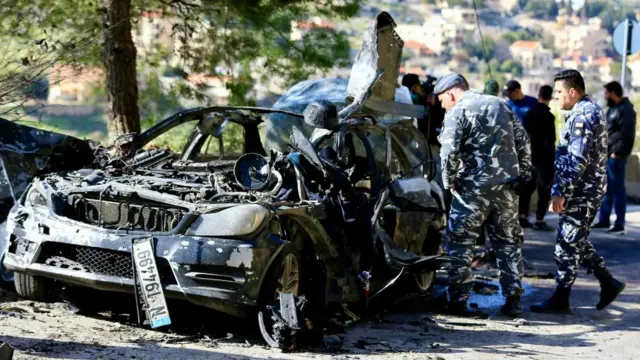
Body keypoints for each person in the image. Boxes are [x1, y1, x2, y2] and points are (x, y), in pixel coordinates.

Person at [435, 73, 531, 318]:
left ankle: (458, 301)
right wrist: (524, 174)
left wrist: (449, 182)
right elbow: (523, 141)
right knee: (508, 244)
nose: (441, 105)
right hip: (507, 189)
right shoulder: (500, 104)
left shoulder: (457, 112)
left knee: (460, 243)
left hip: (472, 191)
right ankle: (513, 301)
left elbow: (449, 152)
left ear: (450, 93)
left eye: (441, 100)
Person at [531, 70, 625, 314]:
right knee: (576, 240)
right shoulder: (590, 110)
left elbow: (576, 159)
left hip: (581, 191)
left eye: (560, 92)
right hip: (586, 190)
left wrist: (560, 192)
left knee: (566, 244)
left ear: (573, 92)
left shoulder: (583, 115)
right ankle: (608, 282)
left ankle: (561, 299)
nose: (556, 97)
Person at [593, 81, 637, 234]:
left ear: (612, 93)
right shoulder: (612, 109)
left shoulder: (626, 110)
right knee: (607, 188)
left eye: (606, 93)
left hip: (615, 156)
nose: (605, 96)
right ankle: (604, 220)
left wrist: (617, 152)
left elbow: (627, 135)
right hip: (606, 154)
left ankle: (619, 223)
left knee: (618, 189)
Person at [503, 80, 538, 227]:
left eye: (510, 93)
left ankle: (523, 215)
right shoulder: (507, 104)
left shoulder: (532, 103)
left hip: (529, 150)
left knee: (527, 184)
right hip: (511, 150)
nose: (509, 96)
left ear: (517, 90)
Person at [522, 85, 556, 231]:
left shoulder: (528, 114)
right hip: (543, 159)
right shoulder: (548, 117)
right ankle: (540, 219)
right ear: (550, 97)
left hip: (529, 157)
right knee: (544, 190)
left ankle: (522, 216)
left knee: (526, 189)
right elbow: (551, 139)